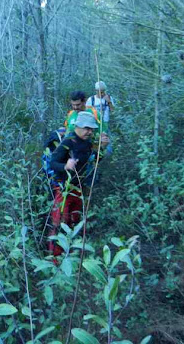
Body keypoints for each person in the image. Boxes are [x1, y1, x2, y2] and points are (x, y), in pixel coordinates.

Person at [47, 111, 109, 259]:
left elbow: (92, 161)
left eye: (91, 129)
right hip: (63, 188)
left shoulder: (87, 143)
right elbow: (53, 162)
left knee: (74, 221)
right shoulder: (68, 142)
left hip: (78, 188)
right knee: (60, 222)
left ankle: (71, 255)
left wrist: (102, 148)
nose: (90, 132)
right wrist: (65, 166)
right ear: (78, 126)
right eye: (87, 128)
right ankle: (54, 258)